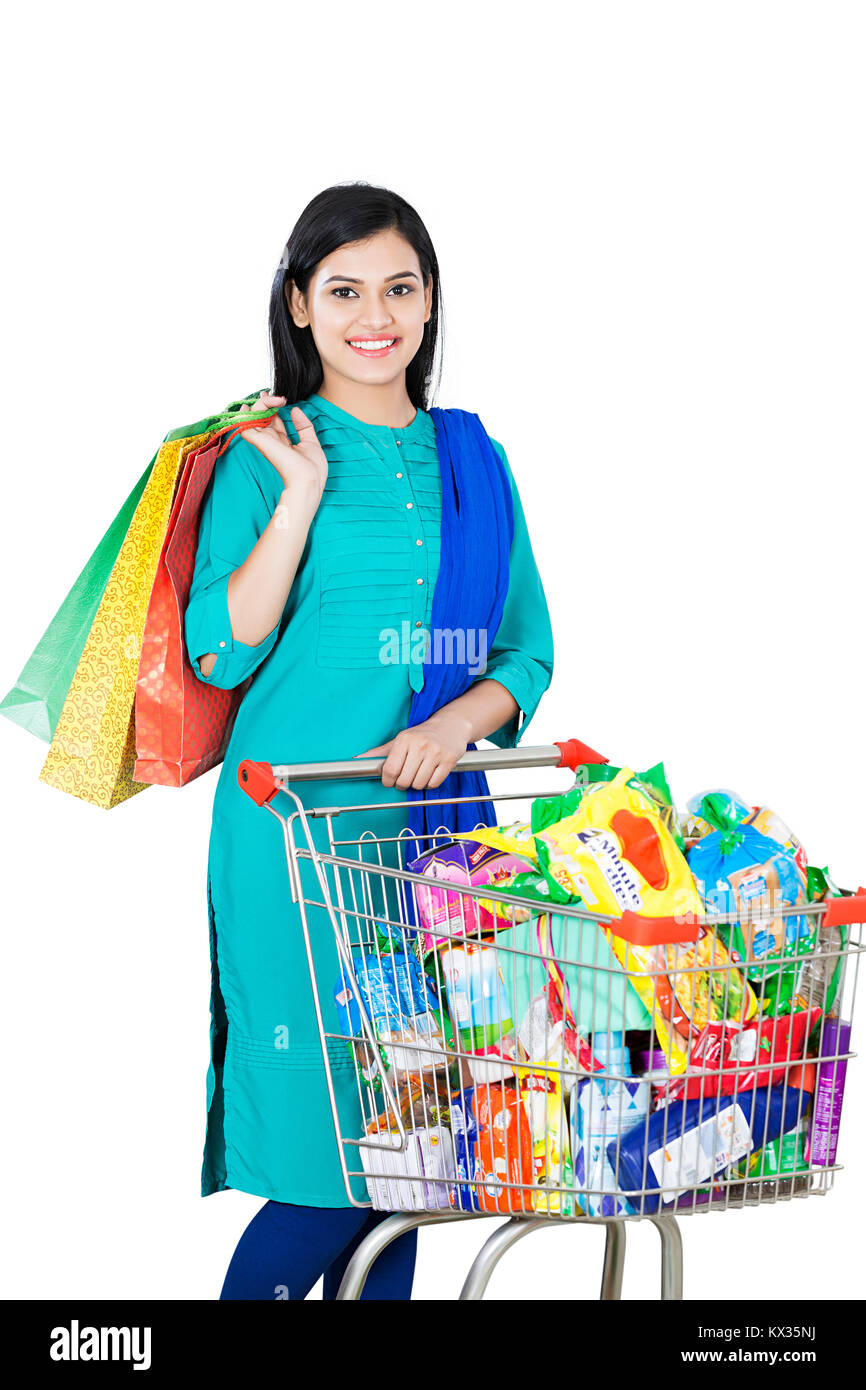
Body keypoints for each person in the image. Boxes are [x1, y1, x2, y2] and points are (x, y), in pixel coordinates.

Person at [184, 181, 554, 1300]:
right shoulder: (258, 454)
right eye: (341, 290)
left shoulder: (471, 463)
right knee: (327, 1163)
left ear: (430, 300)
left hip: (434, 847)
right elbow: (219, 652)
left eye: (398, 286)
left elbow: (523, 657)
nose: (372, 314)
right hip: (293, 838)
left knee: (416, 1154)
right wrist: (297, 495)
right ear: (299, 305)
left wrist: (452, 721)